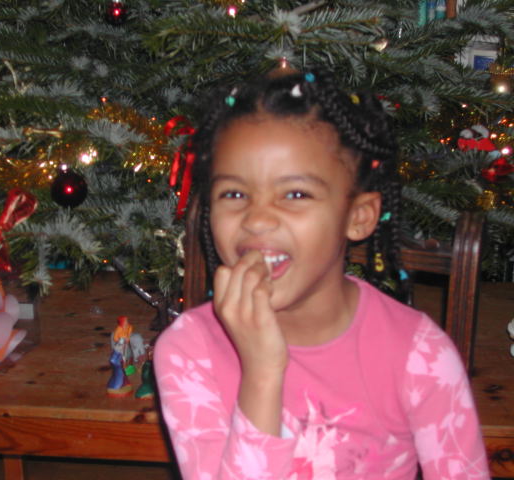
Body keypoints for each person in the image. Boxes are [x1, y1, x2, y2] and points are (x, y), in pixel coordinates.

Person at [154, 71, 489, 479]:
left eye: (296, 194)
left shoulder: (419, 355)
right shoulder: (190, 351)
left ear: (358, 216)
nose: (257, 219)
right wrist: (262, 373)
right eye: (234, 193)